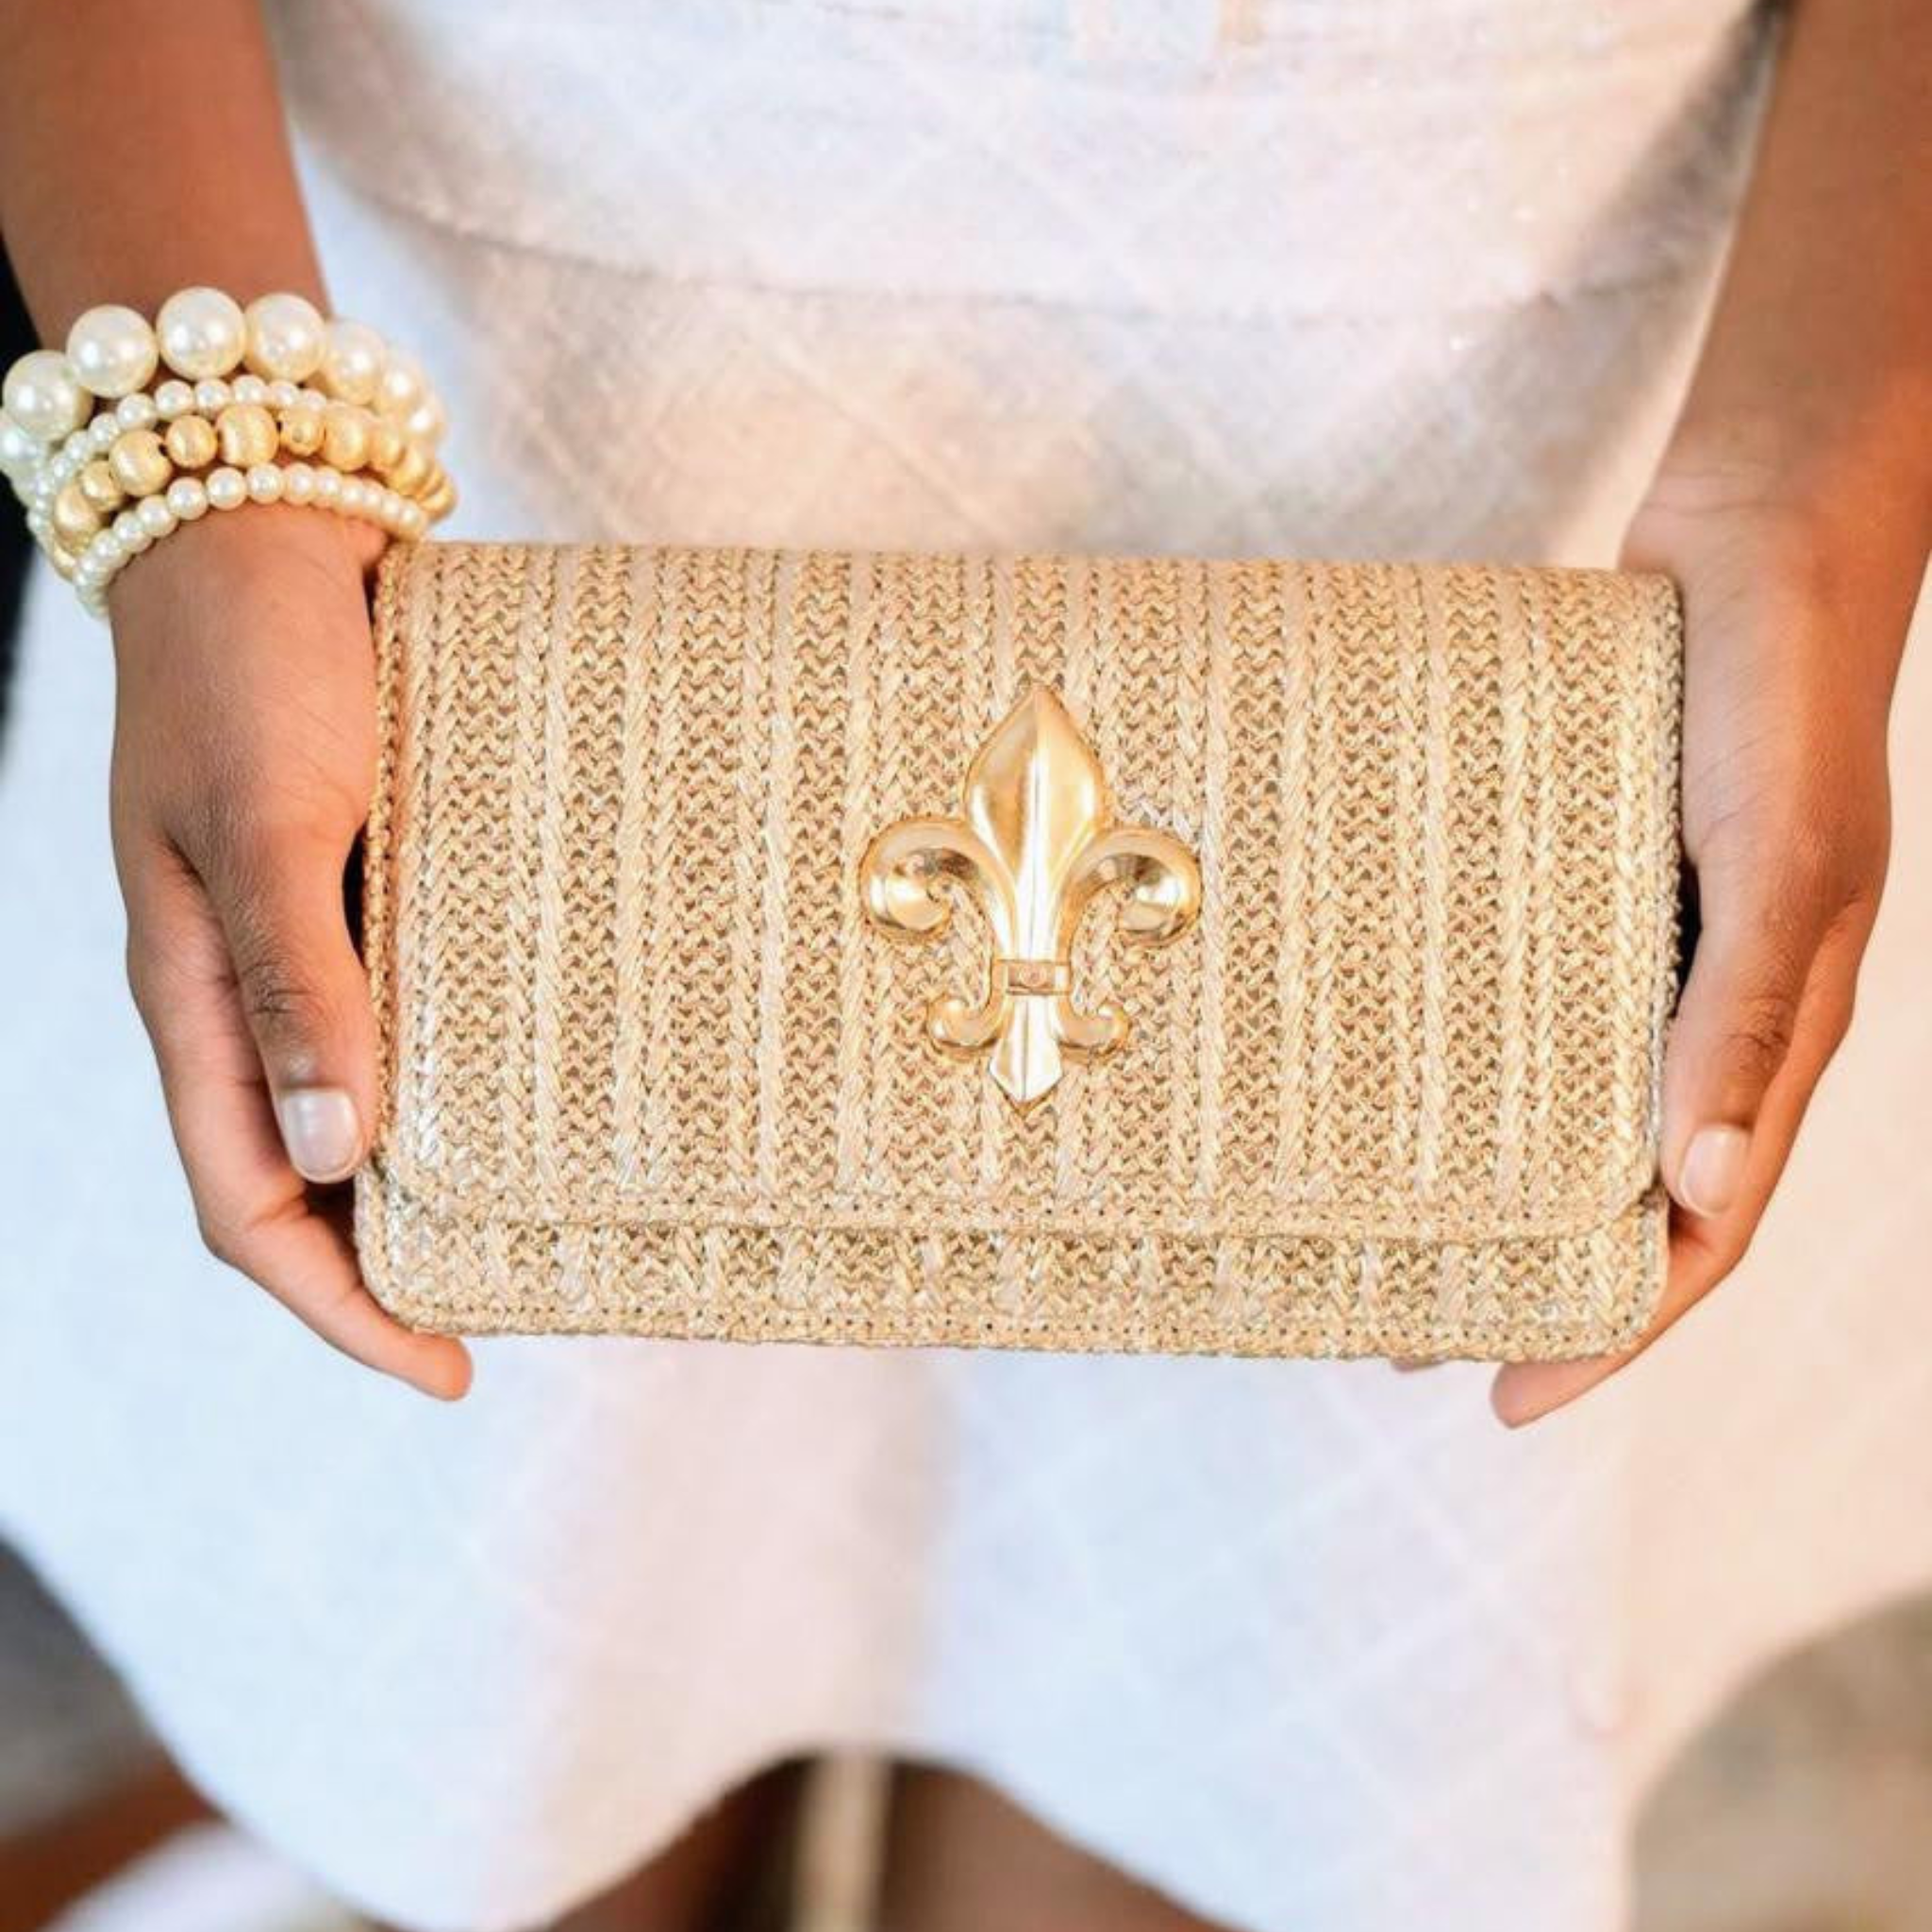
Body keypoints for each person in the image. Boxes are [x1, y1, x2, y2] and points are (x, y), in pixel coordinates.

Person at [0, 2, 1925, 1927]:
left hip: (1562, 414)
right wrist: (208, 477)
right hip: (427, 415)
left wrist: (1821, 483)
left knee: (1216, 1752)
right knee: (542, 1723)